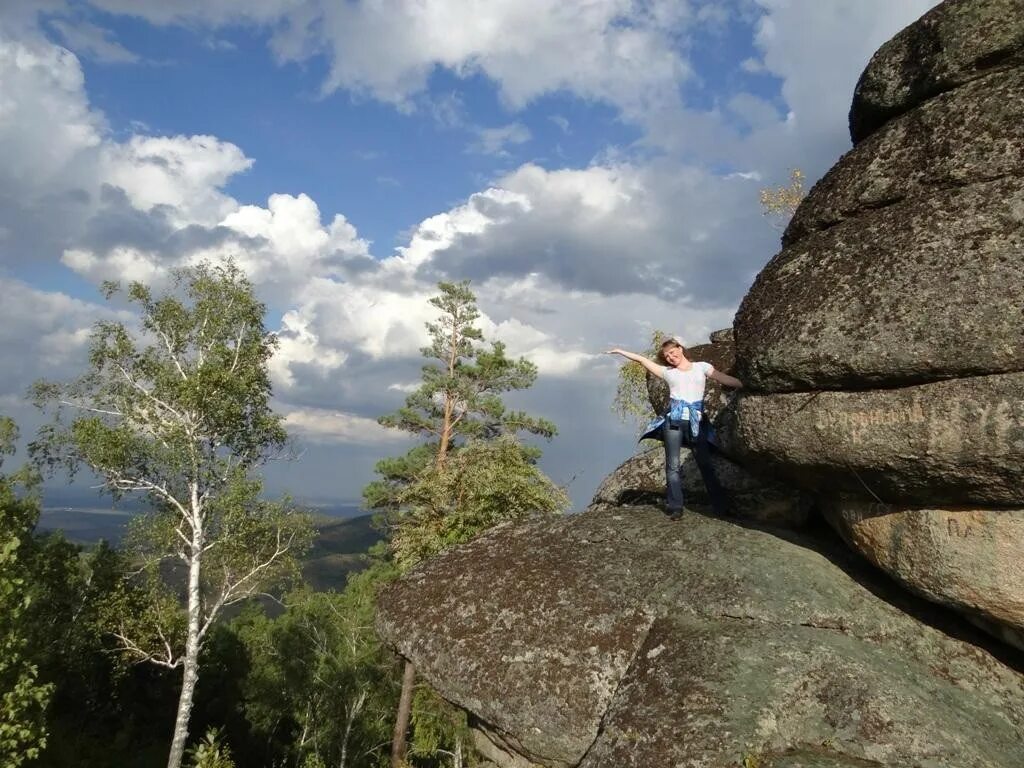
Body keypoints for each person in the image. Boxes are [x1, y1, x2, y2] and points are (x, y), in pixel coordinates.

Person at [607, 337, 743, 520]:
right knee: (672, 466)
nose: (671, 357)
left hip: (697, 422)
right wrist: (620, 351)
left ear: (680, 348)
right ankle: (675, 507)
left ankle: (721, 507)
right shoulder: (668, 372)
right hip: (674, 422)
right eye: (667, 355)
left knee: (705, 465)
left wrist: (744, 384)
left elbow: (722, 378)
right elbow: (642, 360)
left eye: (672, 352)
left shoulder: (702, 366)